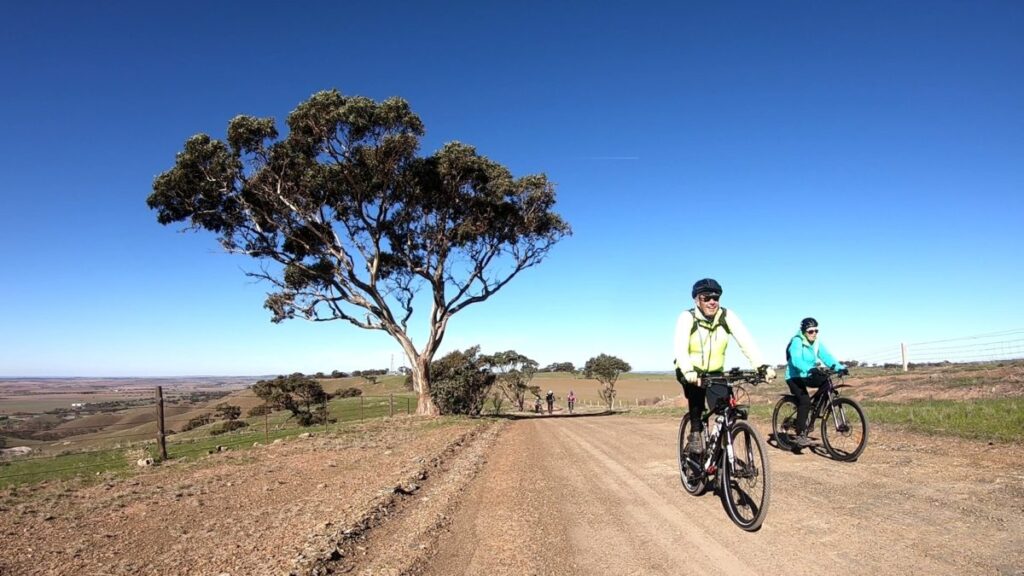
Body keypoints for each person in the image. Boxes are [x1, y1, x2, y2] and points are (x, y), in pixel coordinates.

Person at [674, 278, 776, 455]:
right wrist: (688, 370)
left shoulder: (726, 316)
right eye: (707, 298)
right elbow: (680, 347)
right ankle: (696, 432)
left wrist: (760, 365)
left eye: (716, 297)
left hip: (715, 373)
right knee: (696, 394)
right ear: (697, 300)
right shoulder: (687, 317)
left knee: (724, 409)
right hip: (690, 370)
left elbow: (746, 341)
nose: (713, 302)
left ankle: (723, 454)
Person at [785, 317, 847, 448]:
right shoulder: (797, 341)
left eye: (816, 331)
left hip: (808, 373)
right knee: (805, 401)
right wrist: (810, 368)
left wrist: (839, 367)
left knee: (826, 382)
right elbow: (796, 360)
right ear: (803, 331)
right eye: (810, 331)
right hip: (794, 376)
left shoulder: (817, 342)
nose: (814, 334)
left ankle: (814, 411)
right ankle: (801, 433)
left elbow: (827, 356)